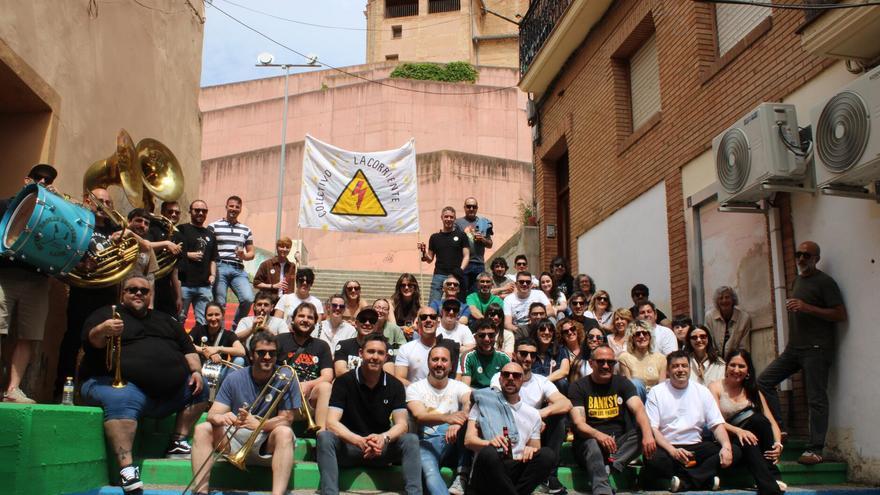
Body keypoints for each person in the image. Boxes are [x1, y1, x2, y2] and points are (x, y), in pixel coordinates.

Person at [79, 275, 208, 492]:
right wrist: (104, 330)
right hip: (119, 386)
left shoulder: (166, 320)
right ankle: (127, 469)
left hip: (168, 394)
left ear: (150, 295)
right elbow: (92, 340)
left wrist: (195, 371)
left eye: (144, 290)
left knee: (200, 387)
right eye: (132, 290)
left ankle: (177, 441)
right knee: (122, 396)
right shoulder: (107, 314)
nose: (138, 293)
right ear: (123, 293)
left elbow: (188, 349)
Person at [758, 240, 846, 466]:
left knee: (816, 398)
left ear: (816, 258)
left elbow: (839, 314)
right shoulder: (797, 280)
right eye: (798, 254)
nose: (801, 259)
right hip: (795, 348)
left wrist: (808, 308)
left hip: (817, 349)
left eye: (806, 255)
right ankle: (780, 428)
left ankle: (815, 449)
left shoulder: (825, 282)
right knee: (763, 381)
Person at [189, 331, 298, 495]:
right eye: (261, 353)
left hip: (266, 442)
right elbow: (212, 414)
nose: (267, 357)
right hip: (236, 439)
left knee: (285, 432)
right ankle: (201, 491)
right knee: (202, 429)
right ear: (252, 355)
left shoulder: (286, 377)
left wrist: (260, 424)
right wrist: (223, 417)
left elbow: (287, 419)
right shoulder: (234, 378)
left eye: (272, 353)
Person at [317, 334, 421, 495]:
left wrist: (383, 438)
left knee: (411, 440)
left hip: (380, 449)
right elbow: (331, 422)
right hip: (350, 447)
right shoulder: (344, 381)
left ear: (386, 357)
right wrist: (358, 440)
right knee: (324, 437)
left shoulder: (395, 385)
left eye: (380, 353)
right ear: (360, 353)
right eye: (370, 351)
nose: (375, 357)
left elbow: (402, 425)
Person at [56, 187, 122, 398]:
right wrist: (81, 264)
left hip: (108, 293)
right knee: (73, 341)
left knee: (104, 343)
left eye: (108, 202)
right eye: (99, 200)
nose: (104, 205)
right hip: (82, 292)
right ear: (87, 201)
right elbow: (62, 251)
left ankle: (97, 391)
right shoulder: (78, 226)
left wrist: (124, 237)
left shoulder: (115, 229)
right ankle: (61, 392)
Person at [1, 164, 57, 403]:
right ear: (27, 180)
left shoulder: (54, 212)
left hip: (37, 279)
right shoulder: (4, 205)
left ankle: (13, 390)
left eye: (48, 180)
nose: (43, 183)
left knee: (29, 335)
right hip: (5, 275)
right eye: (38, 178)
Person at [568, 345, 656, 495]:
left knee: (645, 430)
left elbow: (639, 409)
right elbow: (579, 423)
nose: (606, 366)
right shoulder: (578, 387)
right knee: (591, 443)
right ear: (591, 363)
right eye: (601, 362)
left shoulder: (622, 383)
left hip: (618, 445)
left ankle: (610, 466)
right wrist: (599, 435)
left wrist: (648, 436)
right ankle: (603, 490)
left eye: (610, 362)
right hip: (589, 444)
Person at [489, 338, 573, 494]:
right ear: (514, 355)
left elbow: (566, 403)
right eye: (523, 353)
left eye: (532, 355)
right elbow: (499, 407)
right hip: (506, 433)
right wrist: (531, 419)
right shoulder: (502, 377)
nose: (528, 358)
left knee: (559, 419)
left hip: (534, 433)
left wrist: (537, 415)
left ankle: (549, 476)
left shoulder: (541, 381)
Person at [644, 351, 734, 493]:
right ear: (668, 370)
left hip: (696, 448)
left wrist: (726, 446)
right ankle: (704, 478)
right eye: (675, 366)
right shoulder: (656, 392)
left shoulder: (702, 391)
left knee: (734, 450)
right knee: (652, 458)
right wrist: (673, 451)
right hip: (668, 447)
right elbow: (653, 429)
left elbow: (717, 424)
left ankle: (685, 481)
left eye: (684, 366)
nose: (680, 370)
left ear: (689, 369)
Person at [465, 362, 558, 495]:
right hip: (487, 472)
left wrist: (530, 449)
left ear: (522, 380)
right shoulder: (483, 403)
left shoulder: (533, 414)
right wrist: (489, 443)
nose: (510, 378)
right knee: (489, 452)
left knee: (547, 455)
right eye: (506, 374)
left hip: (514, 470)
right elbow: (468, 441)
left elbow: (535, 448)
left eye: (516, 375)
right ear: (500, 379)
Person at [709, 350, 787, 492]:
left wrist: (777, 443)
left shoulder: (753, 390)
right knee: (754, 425)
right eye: (732, 365)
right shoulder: (715, 387)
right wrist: (739, 431)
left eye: (741, 366)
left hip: (750, 439)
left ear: (748, 370)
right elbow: (715, 421)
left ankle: (768, 485)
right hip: (728, 437)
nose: (736, 370)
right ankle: (773, 476)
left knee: (759, 422)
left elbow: (770, 420)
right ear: (726, 367)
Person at [407, 345, 472, 495]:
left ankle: (462, 474)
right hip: (427, 443)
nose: (439, 364)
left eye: (444, 360)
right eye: (435, 359)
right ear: (428, 362)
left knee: (470, 420)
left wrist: (457, 422)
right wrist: (448, 418)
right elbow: (420, 415)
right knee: (430, 473)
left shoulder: (458, 386)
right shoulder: (415, 388)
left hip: (454, 442)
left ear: (450, 365)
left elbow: (470, 401)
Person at [275, 302, 333, 431]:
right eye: (301, 316)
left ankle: (321, 433)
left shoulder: (322, 346)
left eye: (310, 317)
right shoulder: (280, 340)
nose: (305, 320)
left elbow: (328, 376)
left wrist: (308, 385)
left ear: (315, 323)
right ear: (293, 319)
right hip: (284, 398)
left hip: (308, 399)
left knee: (326, 387)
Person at [209, 195, 256, 328]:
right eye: (231, 206)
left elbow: (252, 253)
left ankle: (235, 328)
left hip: (238, 269)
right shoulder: (213, 226)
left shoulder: (246, 230)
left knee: (248, 299)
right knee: (220, 303)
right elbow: (208, 249)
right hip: (220, 266)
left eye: (237, 207)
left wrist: (244, 256)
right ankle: (221, 335)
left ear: (240, 209)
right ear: (226, 207)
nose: (234, 209)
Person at [177, 199, 218, 326]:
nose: (200, 213)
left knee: (204, 322)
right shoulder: (181, 229)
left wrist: (213, 275)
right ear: (190, 211)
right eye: (197, 210)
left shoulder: (210, 235)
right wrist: (189, 255)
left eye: (204, 211)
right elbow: (173, 252)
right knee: (180, 319)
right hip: (184, 284)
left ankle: (200, 345)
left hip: (204, 286)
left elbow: (213, 259)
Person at [395, 307, 460, 386]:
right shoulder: (406, 349)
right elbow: (399, 378)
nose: (428, 320)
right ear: (417, 323)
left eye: (432, 317)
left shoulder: (449, 347)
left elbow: (457, 378)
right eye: (423, 317)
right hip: (416, 395)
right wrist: (423, 391)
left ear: (438, 322)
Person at [419, 206, 470, 304]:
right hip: (439, 275)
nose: (448, 219)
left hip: (456, 275)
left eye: (451, 217)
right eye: (446, 217)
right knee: (433, 304)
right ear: (441, 217)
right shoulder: (434, 237)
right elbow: (429, 259)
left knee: (458, 304)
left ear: (454, 219)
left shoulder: (461, 235)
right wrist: (423, 251)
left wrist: (460, 270)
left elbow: (466, 256)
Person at [190, 302, 246, 387]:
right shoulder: (197, 330)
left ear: (223, 316)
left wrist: (218, 349)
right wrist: (205, 351)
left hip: (220, 374)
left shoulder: (229, 334)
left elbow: (242, 351)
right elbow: (185, 343)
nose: (213, 318)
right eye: (210, 315)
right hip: (200, 372)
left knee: (239, 360)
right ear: (205, 317)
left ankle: (224, 390)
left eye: (217, 314)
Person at [147, 200, 184, 319]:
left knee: (170, 319)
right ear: (162, 212)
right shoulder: (152, 227)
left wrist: (178, 297)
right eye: (170, 211)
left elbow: (174, 270)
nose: (174, 214)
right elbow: (145, 246)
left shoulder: (178, 236)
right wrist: (166, 244)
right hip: (147, 280)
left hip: (164, 285)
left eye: (177, 213)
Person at [333, 308, 396, 377]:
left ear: (377, 325)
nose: (367, 323)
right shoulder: (344, 345)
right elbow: (340, 372)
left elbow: (388, 374)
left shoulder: (386, 347)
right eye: (363, 319)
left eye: (372, 320)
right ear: (356, 323)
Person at [617, 320, 667, 402]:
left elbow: (662, 386)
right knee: (636, 383)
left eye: (645, 333)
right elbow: (628, 387)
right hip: (636, 399)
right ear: (632, 338)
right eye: (637, 334)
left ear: (650, 336)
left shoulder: (660, 358)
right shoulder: (624, 358)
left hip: (655, 398)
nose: (641, 336)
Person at [455, 197, 494, 295]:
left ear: (477, 208)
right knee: (462, 293)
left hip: (479, 264)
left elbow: (490, 244)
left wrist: (482, 239)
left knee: (477, 294)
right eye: (469, 206)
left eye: (474, 206)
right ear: (464, 208)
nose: (471, 209)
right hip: (463, 264)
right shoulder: (457, 223)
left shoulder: (483, 222)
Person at [461, 320, 511, 389]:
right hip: (475, 395)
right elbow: (465, 388)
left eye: (491, 335)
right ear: (475, 337)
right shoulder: (468, 357)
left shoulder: (504, 358)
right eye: (482, 335)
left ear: (495, 336)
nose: (487, 339)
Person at [706, 286, 752, 357]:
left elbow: (744, 346)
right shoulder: (709, 317)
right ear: (717, 302)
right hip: (715, 359)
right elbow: (709, 342)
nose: (724, 300)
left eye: (727, 297)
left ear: (733, 299)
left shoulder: (744, 318)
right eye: (720, 298)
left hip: (735, 359)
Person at [126, 208, 160, 295]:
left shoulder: (148, 248)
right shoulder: (117, 241)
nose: (142, 225)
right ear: (129, 221)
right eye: (138, 221)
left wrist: (150, 306)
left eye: (146, 223)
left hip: (139, 297)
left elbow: (150, 280)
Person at [252, 237, 297, 302]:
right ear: (277, 248)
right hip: (270, 301)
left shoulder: (292, 267)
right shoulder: (266, 264)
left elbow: (299, 283)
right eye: (282, 246)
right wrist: (273, 286)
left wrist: (299, 261)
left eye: (287, 247)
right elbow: (256, 284)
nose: (284, 249)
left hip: (286, 302)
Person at [531, 319, 570, 393]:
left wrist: (544, 382)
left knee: (562, 382)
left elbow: (564, 371)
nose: (547, 332)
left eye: (550, 330)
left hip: (554, 390)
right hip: (533, 389)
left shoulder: (561, 349)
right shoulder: (529, 351)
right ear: (536, 332)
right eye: (542, 329)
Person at [390, 273, 421, 339]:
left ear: (415, 288)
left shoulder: (419, 308)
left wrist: (409, 329)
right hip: (395, 335)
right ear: (399, 287)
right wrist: (403, 329)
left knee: (415, 334)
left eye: (410, 285)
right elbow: (393, 327)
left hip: (411, 335)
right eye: (403, 285)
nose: (406, 288)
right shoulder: (392, 304)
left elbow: (415, 326)